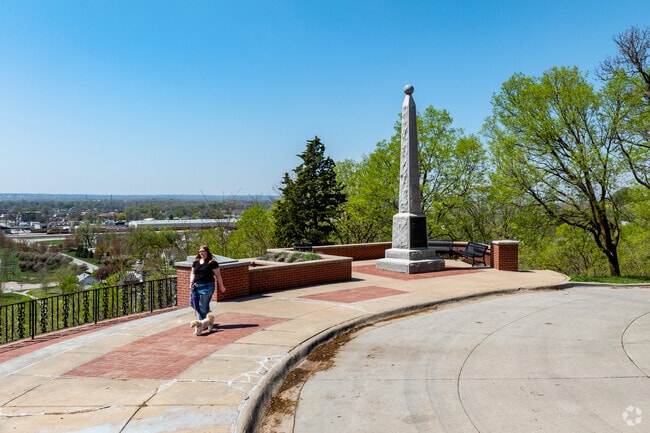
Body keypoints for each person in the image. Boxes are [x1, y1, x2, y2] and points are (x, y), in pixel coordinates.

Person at [189, 245, 226, 321]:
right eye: (200, 251)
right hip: (196, 286)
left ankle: (203, 323)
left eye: (203, 251)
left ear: (207, 252)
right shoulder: (196, 262)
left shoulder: (212, 263)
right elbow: (192, 273)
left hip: (207, 286)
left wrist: (221, 286)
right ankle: (208, 315)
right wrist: (191, 282)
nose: (201, 253)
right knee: (193, 303)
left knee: (202, 305)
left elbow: (218, 275)